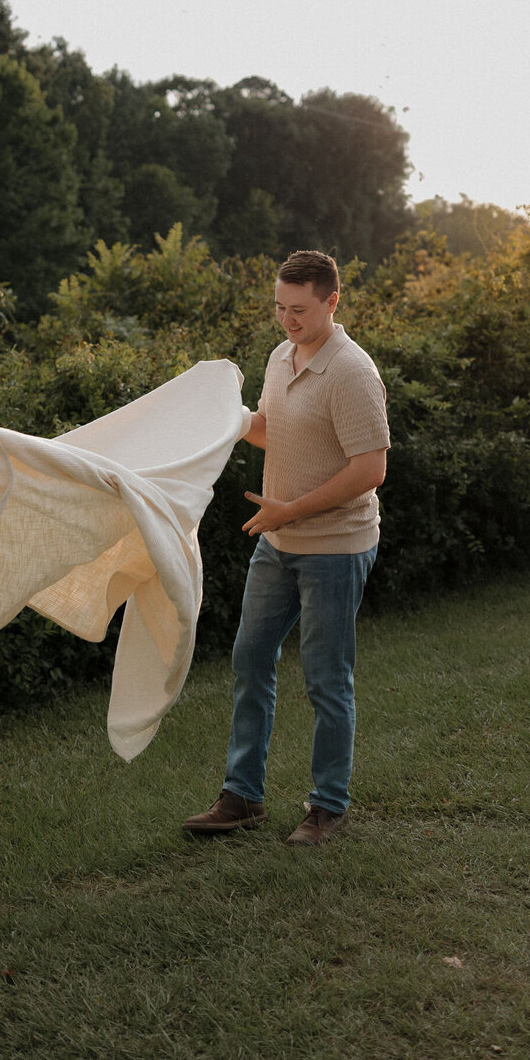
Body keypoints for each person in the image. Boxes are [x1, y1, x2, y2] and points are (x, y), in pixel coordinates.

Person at [183, 250, 389, 847]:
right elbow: (274, 431)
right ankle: (242, 796)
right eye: (279, 307)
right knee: (250, 660)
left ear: (332, 301)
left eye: (299, 309)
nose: (287, 319)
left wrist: (290, 510)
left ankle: (328, 806)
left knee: (326, 678)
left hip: (335, 548)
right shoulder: (281, 357)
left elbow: (370, 469)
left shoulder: (352, 372)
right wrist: (223, 419)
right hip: (277, 543)